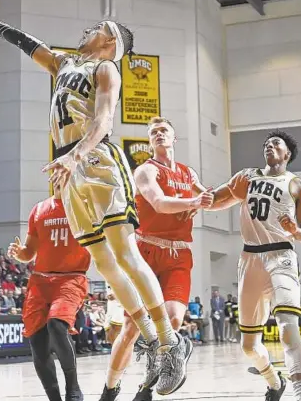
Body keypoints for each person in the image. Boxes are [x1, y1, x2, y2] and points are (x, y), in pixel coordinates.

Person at [0, 1, 198, 395]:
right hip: (69, 168)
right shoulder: (66, 63)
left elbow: (104, 120)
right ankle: (154, 342)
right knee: (103, 262)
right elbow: (28, 44)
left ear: (110, 42)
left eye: (98, 27)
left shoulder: (106, 69)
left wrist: (76, 154)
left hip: (97, 158)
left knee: (124, 253)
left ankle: (171, 343)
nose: (88, 29)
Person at [99, 116, 213, 401]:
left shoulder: (189, 174)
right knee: (131, 328)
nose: (159, 134)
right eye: (154, 132)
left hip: (178, 254)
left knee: (173, 321)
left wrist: (237, 193)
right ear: (150, 142)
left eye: (164, 131)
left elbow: (211, 197)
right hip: (146, 253)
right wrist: (194, 202)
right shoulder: (145, 171)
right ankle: (110, 388)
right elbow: (160, 203)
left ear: (174, 138)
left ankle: (147, 387)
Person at [207, 130, 301, 401]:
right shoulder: (247, 176)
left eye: (275, 143)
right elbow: (216, 200)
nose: (269, 146)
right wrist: (199, 197)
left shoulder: (297, 184)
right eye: (266, 144)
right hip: (250, 258)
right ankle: (274, 382)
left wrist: (294, 231)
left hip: (282, 256)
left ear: (287, 153)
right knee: (249, 345)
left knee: (288, 328)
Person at [7, 190, 91, 401]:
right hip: (40, 280)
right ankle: (54, 398)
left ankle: (73, 387)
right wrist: (20, 253)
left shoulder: (86, 205)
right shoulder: (39, 209)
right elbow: (29, 253)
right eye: (55, 173)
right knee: (37, 340)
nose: (58, 177)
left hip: (71, 278)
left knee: (56, 324)